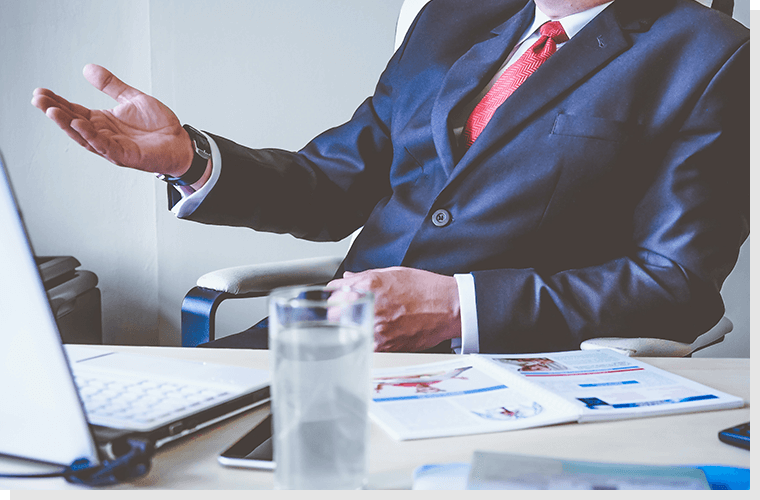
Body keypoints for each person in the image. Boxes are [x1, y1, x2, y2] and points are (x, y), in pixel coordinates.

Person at [31, 0, 749, 354]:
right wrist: (190, 157)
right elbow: (334, 182)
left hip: (509, 366)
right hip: (330, 340)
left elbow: (676, 281)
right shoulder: (455, 16)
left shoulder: (713, 55)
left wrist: (457, 307)